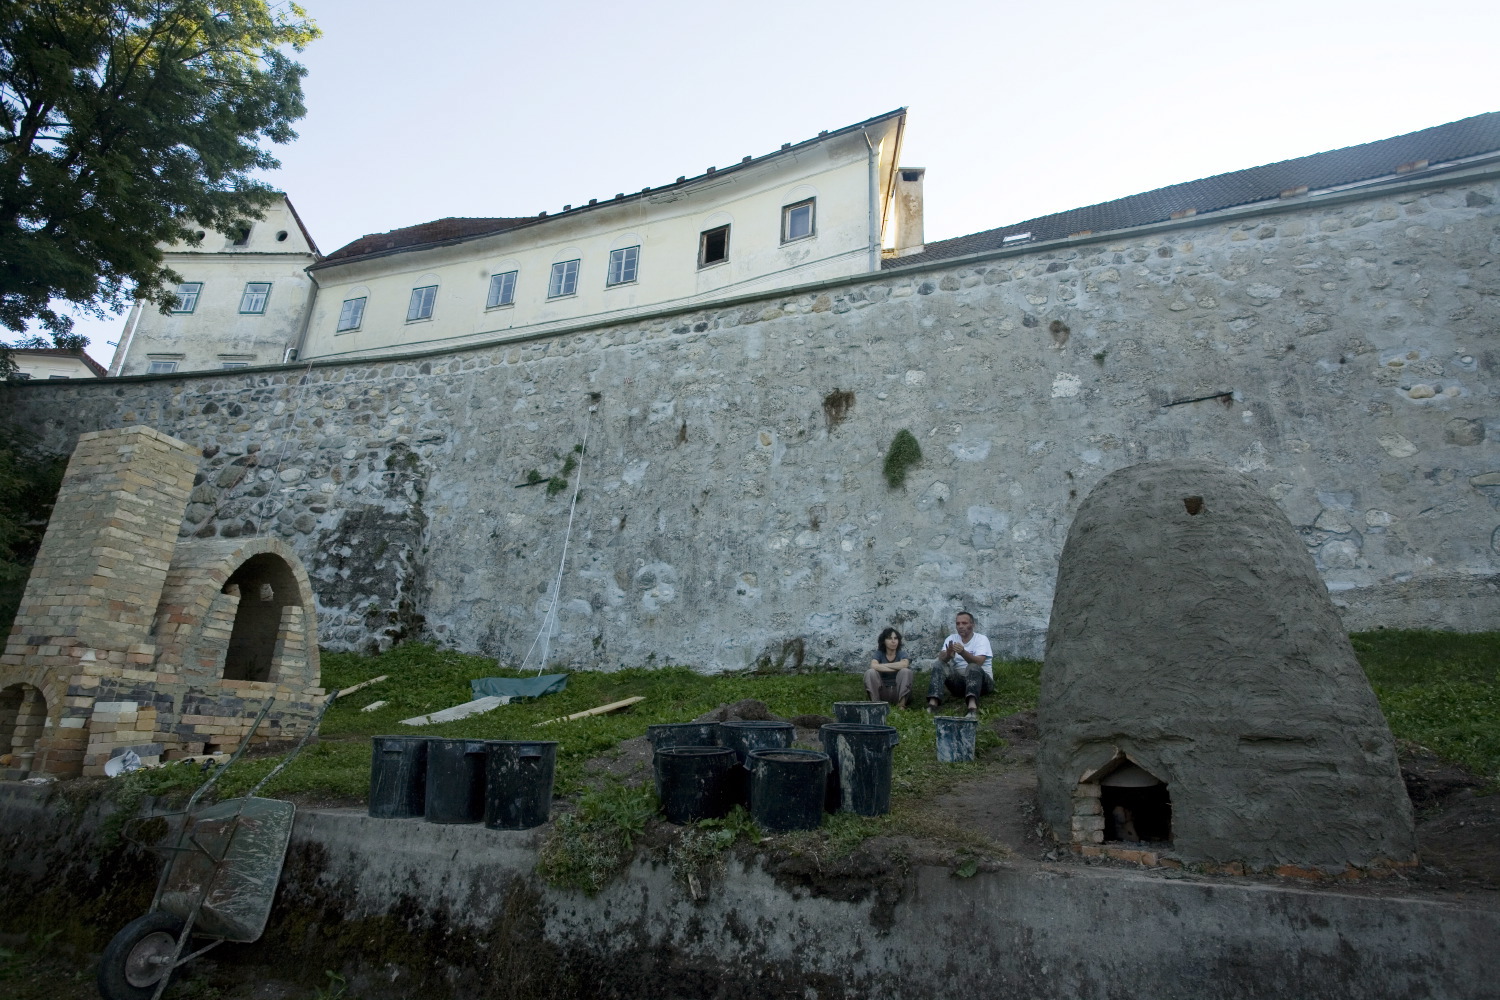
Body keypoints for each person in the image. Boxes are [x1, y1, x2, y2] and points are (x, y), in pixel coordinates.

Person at [927, 611, 993, 718]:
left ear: (972, 624)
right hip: (960, 684)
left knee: (972, 666)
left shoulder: (981, 639)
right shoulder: (951, 638)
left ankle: (972, 707)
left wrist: (963, 652)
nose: (960, 626)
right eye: (958, 623)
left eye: (964, 623)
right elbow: (942, 659)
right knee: (938, 664)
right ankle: (933, 704)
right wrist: (948, 655)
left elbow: (978, 662)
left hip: (982, 683)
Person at [865, 627, 912, 708]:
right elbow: (873, 666)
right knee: (870, 672)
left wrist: (882, 666)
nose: (893, 641)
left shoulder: (901, 653)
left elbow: (904, 665)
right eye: (890, 638)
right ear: (884, 641)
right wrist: (896, 667)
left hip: (898, 692)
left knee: (906, 671)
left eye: (895, 638)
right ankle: (875, 705)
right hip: (883, 692)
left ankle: (901, 705)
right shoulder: (879, 654)